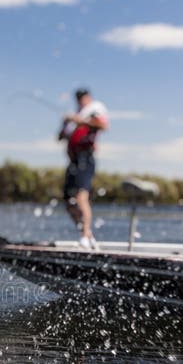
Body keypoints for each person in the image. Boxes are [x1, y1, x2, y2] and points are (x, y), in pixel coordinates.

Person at [57, 88, 109, 249]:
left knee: (81, 198)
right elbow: (60, 137)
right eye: (78, 99)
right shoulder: (74, 117)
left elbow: (103, 126)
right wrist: (66, 123)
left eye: (83, 98)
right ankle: (88, 235)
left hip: (85, 158)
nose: (80, 101)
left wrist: (79, 120)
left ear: (89, 98)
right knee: (68, 201)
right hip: (73, 161)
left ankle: (85, 235)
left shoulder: (94, 110)